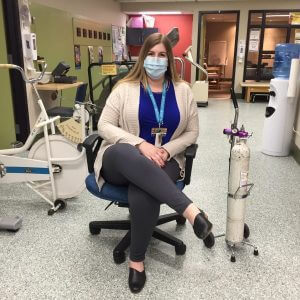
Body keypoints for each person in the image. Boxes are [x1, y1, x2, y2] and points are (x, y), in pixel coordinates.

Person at [94, 33, 213, 293]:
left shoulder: (183, 91)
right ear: (142, 57)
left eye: (162, 55)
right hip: (122, 158)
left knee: (144, 191)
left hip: (165, 159)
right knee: (127, 155)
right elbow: (103, 125)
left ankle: (136, 262)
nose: (156, 60)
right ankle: (193, 213)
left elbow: (192, 133)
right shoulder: (124, 88)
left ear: (169, 60)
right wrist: (140, 145)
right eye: (151, 54)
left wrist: (167, 150)